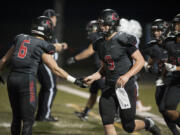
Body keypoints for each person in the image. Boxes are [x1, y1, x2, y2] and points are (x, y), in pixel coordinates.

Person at [0, 16, 87, 135]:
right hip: (27, 81)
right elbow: (55, 69)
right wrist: (75, 80)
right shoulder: (42, 45)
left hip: (12, 79)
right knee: (28, 121)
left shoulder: (20, 38)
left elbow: (4, 60)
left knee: (16, 118)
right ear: (47, 29)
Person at [84, 9, 161, 135]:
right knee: (107, 122)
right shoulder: (100, 43)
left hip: (125, 88)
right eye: (100, 24)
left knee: (128, 126)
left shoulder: (123, 39)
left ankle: (148, 123)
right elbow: (106, 67)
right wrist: (94, 76)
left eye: (104, 24)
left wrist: (127, 76)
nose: (101, 27)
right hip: (109, 87)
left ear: (112, 25)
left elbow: (140, 61)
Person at [144, 18, 180, 135]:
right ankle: (175, 132)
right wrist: (148, 67)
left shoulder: (173, 43)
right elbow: (149, 62)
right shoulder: (155, 46)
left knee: (168, 109)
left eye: (158, 30)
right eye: (154, 31)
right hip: (163, 80)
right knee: (162, 110)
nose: (155, 33)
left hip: (175, 79)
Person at [66, 20, 105, 121]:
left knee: (107, 93)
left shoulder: (98, 37)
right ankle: (85, 113)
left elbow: (89, 51)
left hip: (102, 70)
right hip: (97, 69)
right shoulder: (100, 36)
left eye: (90, 29)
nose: (89, 31)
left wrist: (75, 58)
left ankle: (117, 114)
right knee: (93, 92)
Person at [36, 9, 68, 122]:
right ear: (51, 18)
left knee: (47, 88)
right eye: (55, 17)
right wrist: (59, 46)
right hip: (45, 63)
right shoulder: (47, 28)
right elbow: (44, 44)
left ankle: (41, 114)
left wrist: (59, 46)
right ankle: (44, 115)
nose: (56, 19)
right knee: (50, 88)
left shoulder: (50, 29)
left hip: (47, 62)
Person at [119, 18, 152, 112]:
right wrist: (143, 63)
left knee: (130, 87)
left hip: (128, 66)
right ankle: (132, 107)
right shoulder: (130, 39)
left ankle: (136, 105)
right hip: (128, 67)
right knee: (129, 87)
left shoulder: (125, 38)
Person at [159, 14, 180, 135]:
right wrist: (162, 76)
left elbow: (173, 65)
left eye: (179, 24)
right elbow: (168, 61)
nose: (176, 26)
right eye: (176, 23)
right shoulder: (170, 42)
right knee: (168, 109)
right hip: (177, 82)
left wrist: (176, 67)